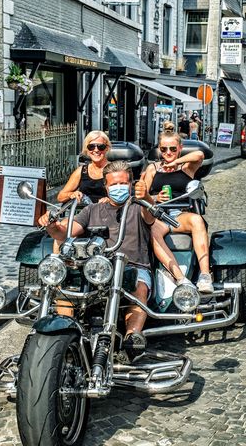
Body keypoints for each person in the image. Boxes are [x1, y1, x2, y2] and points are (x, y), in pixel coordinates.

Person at [39, 160, 156, 360]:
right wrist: (50, 225)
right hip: (95, 268)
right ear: (106, 187)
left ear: (131, 184)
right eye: (113, 184)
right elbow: (65, 234)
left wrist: (145, 196)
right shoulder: (92, 210)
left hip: (132, 265)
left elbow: (150, 214)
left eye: (122, 183)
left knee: (139, 287)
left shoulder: (138, 207)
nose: (118, 187)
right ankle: (63, 337)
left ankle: (132, 336)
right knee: (65, 287)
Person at [142, 130, 213, 294]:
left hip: (180, 214)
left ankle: (204, 275)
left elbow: (199, 155)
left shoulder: (187, 167)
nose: (168, 153)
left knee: (197, 220)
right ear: (159, 149)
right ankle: (180, 278)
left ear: (180, 148)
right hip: (159, 215)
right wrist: (155, 197)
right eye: (164, 149)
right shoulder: (153, 169)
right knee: (151, 230)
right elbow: (142, 194)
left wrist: (176, 162)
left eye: (173, 149)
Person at [57, 131, 111, 204]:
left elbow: (125, 197)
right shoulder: (81, 171)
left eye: (101, 146)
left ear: (107, 148)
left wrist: (110, 201)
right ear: (87, 150)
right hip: (84, 213)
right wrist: (72, 194)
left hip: (107, 212)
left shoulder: (115, 170)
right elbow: (60, 196)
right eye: (91, 147)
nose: (96, 150)